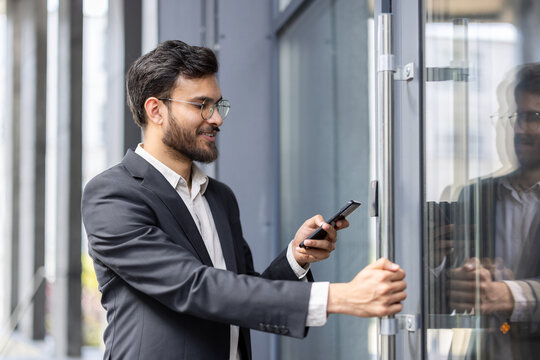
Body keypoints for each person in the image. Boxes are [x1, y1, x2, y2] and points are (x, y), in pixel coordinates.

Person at [81, 40, 407, 360]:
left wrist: (295, 258)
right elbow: (194, 287)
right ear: (156, 110)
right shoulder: (113, 195)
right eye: (201, 105)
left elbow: (240, 292)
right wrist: (339, 296)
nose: (217, 119)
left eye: (219, 105)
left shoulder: (220, 197)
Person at [433, 63, 540, 359]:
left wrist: (507, 293)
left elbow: (501, 295)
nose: (520, 129)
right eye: (514, 117)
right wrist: (444, 271)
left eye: (532, 117)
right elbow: (441, 298)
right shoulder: (476, 195)